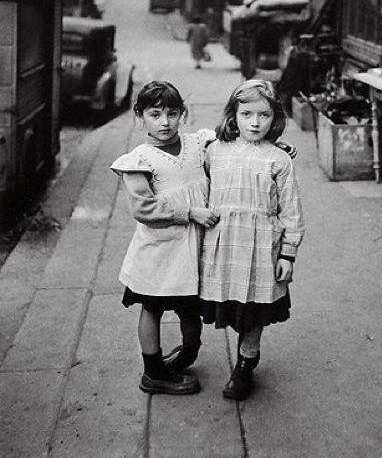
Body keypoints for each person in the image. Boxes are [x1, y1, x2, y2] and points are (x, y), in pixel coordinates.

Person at [110, 81, 219, 396]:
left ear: (182, 114)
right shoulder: (139, 160)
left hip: (193, 248)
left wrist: (275, 145)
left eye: (173, 113)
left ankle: (187, 352)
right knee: (153, 307)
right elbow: (144, 207)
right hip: (159, 250)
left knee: (190, 306)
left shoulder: (198, 145)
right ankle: (154, 371)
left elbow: (231, 144)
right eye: (155, 114)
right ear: (140, 116)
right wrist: (190, 212)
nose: (165, 122)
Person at [199, 79, 305, 401]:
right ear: (234, 115)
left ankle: (247, 358)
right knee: (231, 306)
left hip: (261, 247)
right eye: (246, 114)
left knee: (255, 307)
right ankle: (245, 347)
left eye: (264, 115)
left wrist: (287, 254)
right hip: (224, 245)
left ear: (276, 119)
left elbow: (292, 210)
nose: (255, 123)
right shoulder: (213, 151)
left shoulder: (279, 160)